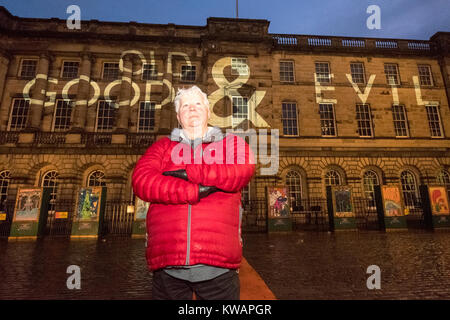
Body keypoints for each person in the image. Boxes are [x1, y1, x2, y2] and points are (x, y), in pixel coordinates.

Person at [132, 85, 256, 300]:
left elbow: (241, 169)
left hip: (218, 264)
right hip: (168, 264)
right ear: (178, 116)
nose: (192, 109)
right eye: (185, 106)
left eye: (198, 104)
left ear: (208, 111)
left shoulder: (230, 143)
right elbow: (142, 181)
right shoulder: (162, 147)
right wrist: (193, 191)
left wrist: (189, 171)